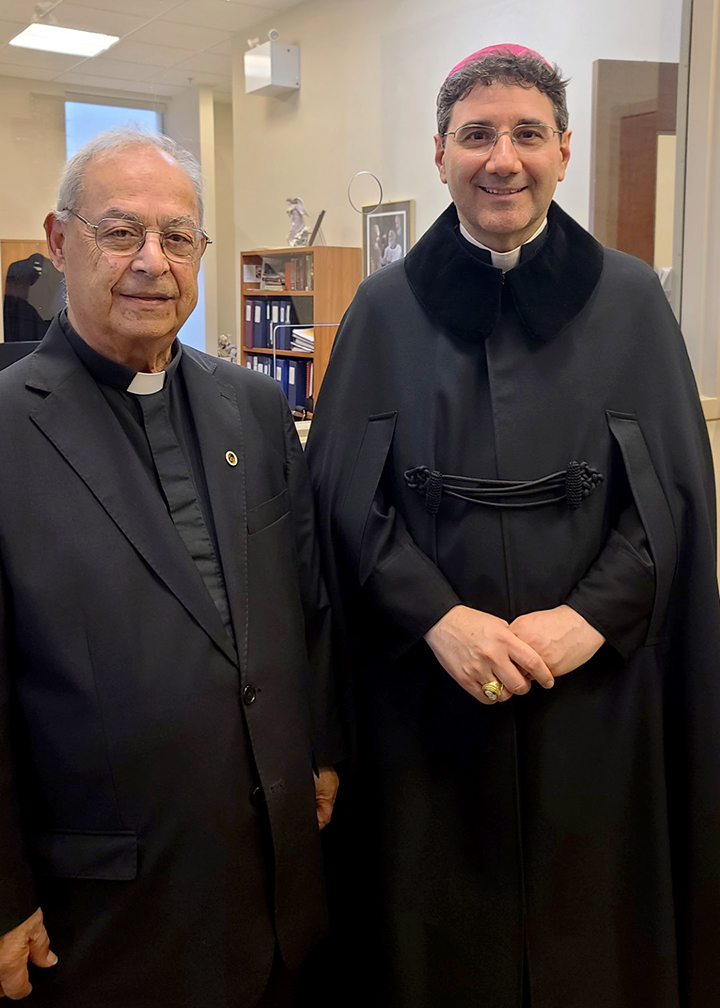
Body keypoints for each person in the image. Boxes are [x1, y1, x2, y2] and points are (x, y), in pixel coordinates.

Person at [306, 44, 720, 1008]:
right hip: (429, 704)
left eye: (527, 134)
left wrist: (586, 621)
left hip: (599, 702)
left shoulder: (631, 301)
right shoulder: (379, 308)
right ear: (440, 152)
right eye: (478, 135)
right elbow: (341, 499)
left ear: (565, 151)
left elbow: (670, 499)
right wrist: (440, 619)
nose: (504, 158)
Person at [0, 129, 342, 1008]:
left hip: (275, 880)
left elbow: (311, 602)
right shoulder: (5, 430)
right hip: (106, 912)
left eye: (178, 237)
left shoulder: (256, 407)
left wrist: (324, 750)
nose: (153, 261)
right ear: (58, 239)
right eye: (121, 233)